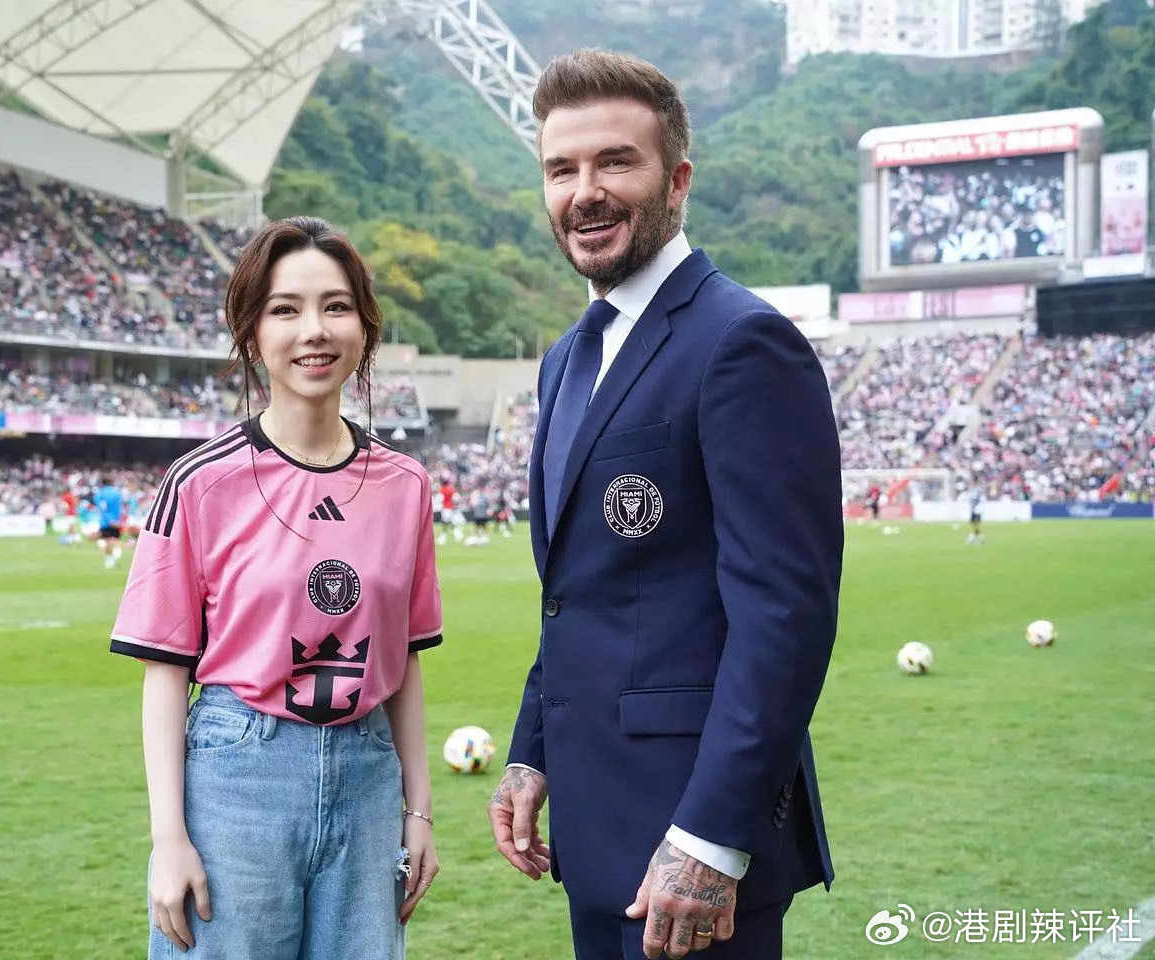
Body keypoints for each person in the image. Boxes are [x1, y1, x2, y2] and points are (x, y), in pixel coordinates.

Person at [487, 50, 843, 960]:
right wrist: (532, 750)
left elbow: (785, 613)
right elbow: (581, 590)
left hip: (693, 848)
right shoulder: (567, 359)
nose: (585, 192)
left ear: (677, 180)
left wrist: (712, 837)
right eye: (561, 169)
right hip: (595, 834)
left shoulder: (742, 343)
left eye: (616, 162)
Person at [109, 216, 443, 960]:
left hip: (368, 778)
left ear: (365, 325)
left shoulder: (406, 484)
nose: (314, 330)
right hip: (238, 777)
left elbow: (405, 660)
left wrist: (418, 811)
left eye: (336, 306)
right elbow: (165, 672)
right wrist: (169, 839)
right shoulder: (199, 483)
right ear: (252, 331)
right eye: (285, 309)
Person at [95, 479, 126, 570]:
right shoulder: (117, 493)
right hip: (117, 521)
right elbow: (121, 508)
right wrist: (118, 520)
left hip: (106, 521)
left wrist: (109, 520)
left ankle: (110, 560)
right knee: (116, 541)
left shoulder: (100, 494)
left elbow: (103, 508)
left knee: (106, 541)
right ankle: (114, 557)